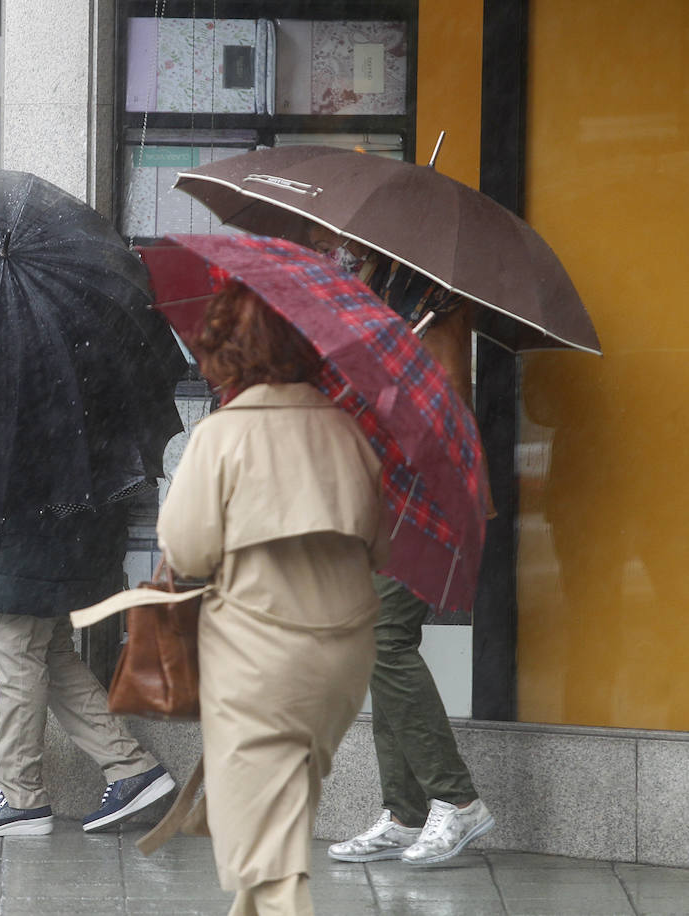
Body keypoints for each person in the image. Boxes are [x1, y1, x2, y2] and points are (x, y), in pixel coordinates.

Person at [154, 284, 388, 916]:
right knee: (276, 825)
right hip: (341, 656)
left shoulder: (224, 435)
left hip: (259, 654)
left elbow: (187, 549)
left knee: (264, 850)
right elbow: (379, 543)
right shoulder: (347, 431)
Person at [311, 231, 497, 867]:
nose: (333, 246)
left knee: (386, 637)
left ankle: (457, 800)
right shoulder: (380, 290)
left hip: (427, 493)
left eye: (342, 241)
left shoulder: (434, 300)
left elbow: (435, 408)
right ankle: (404, 812)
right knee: (376, 641)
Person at [0, 501, 175, 837]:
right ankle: (132, 767)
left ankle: (19, 795)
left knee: (18, 649)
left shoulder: (37, 452)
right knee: (52, 657)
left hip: (36, 538)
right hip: (58, 535)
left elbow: (36, 476)